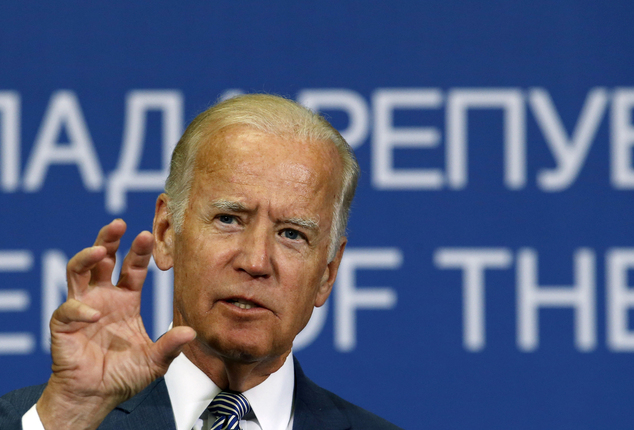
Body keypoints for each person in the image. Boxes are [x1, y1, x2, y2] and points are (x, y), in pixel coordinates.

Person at [0, 94, 402, 430]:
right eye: (229, 219)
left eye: (292, 234)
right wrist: (69, 417)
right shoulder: (37, 421)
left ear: (327, 274)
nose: (256, 261)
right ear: (166, 232)